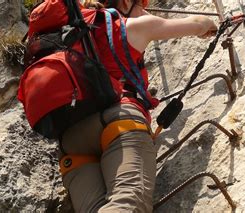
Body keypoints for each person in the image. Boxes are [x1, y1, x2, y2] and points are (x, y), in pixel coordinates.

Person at [59, 0, 218, 212]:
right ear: (126, 1)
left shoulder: (68, 38)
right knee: (127, 205)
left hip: (71, 141)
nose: (146, 10)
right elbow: (199, 23)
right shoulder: (130, 27)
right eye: (142, 4)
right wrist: (211, 23)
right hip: (119, 122)